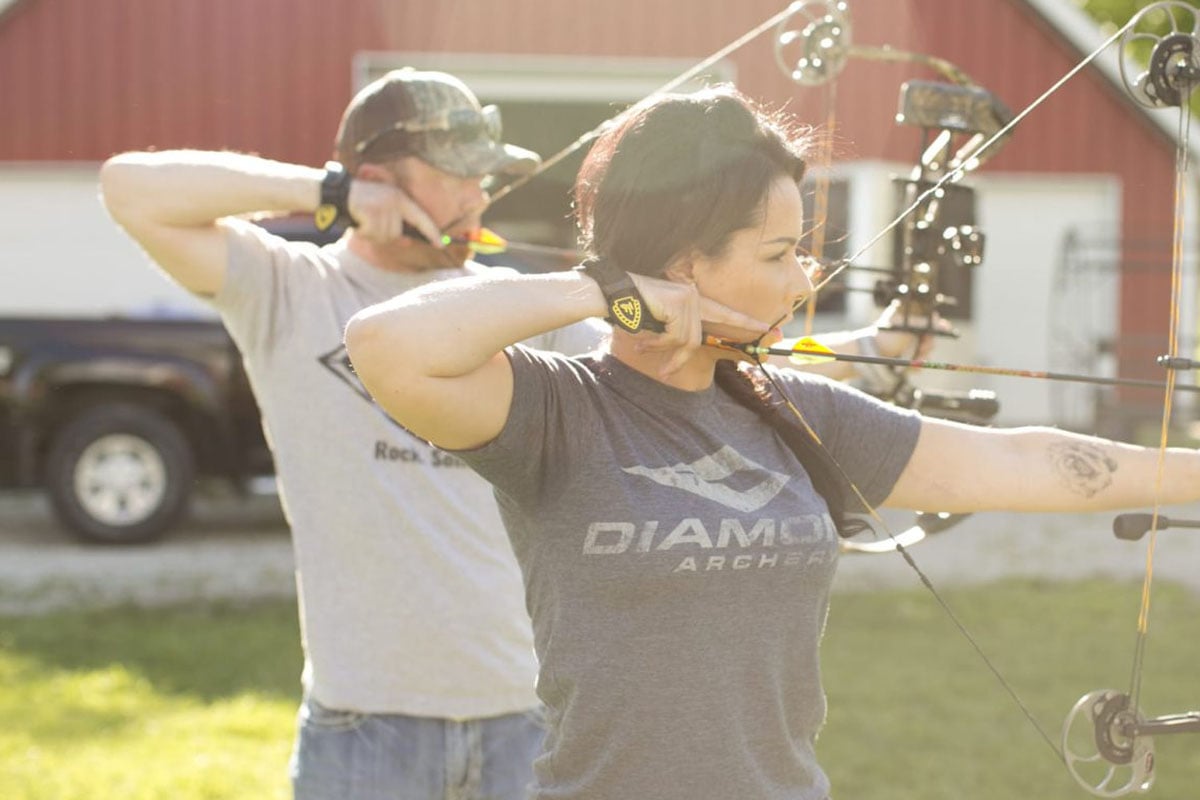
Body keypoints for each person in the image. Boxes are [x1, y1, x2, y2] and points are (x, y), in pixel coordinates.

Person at [343, 85, 1200, 800]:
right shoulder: (555, 410)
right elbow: (384, 344)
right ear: (681, 267)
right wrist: (597, 289)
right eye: (781, 253)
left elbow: (1025, 462)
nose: (805, 279)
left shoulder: (797, 410)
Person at [98, 69, 921, 800]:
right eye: (458, 176)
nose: (477, 199)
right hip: (365, 726)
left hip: (525, 721)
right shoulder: (288, 288)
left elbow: (698, 351)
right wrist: (334, 191)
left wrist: (874, 351)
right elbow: (129, 187)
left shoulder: (515, 309)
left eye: (485, 178)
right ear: (379, 175)